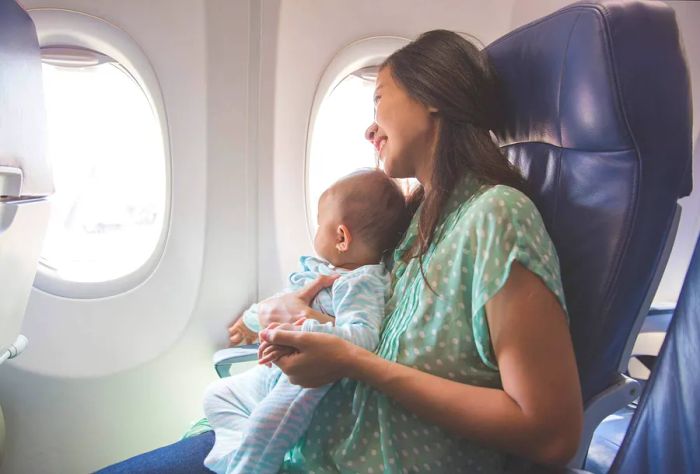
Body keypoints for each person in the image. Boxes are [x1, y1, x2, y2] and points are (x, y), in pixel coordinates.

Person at [97, 29, 582, 473]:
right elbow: (387, 340)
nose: (370, 130)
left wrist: (350, 362)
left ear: (431, 98)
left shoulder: (497, 216)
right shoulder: (415, 221)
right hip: (309, 450)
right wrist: (309, 323)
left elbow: (549, 432)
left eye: (379, 101)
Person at [202, 169, 410, 474]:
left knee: (266, 424)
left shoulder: (361, 282)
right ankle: (237, 451)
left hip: (309, 382)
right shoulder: (323, 269)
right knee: (217, 395)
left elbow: (364, 337)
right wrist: (253, 319)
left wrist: (307, 328)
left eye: (318, 224)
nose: (315, 232)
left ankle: (249, 466)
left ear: (341, 236)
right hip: (277, 371)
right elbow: (287, 300)